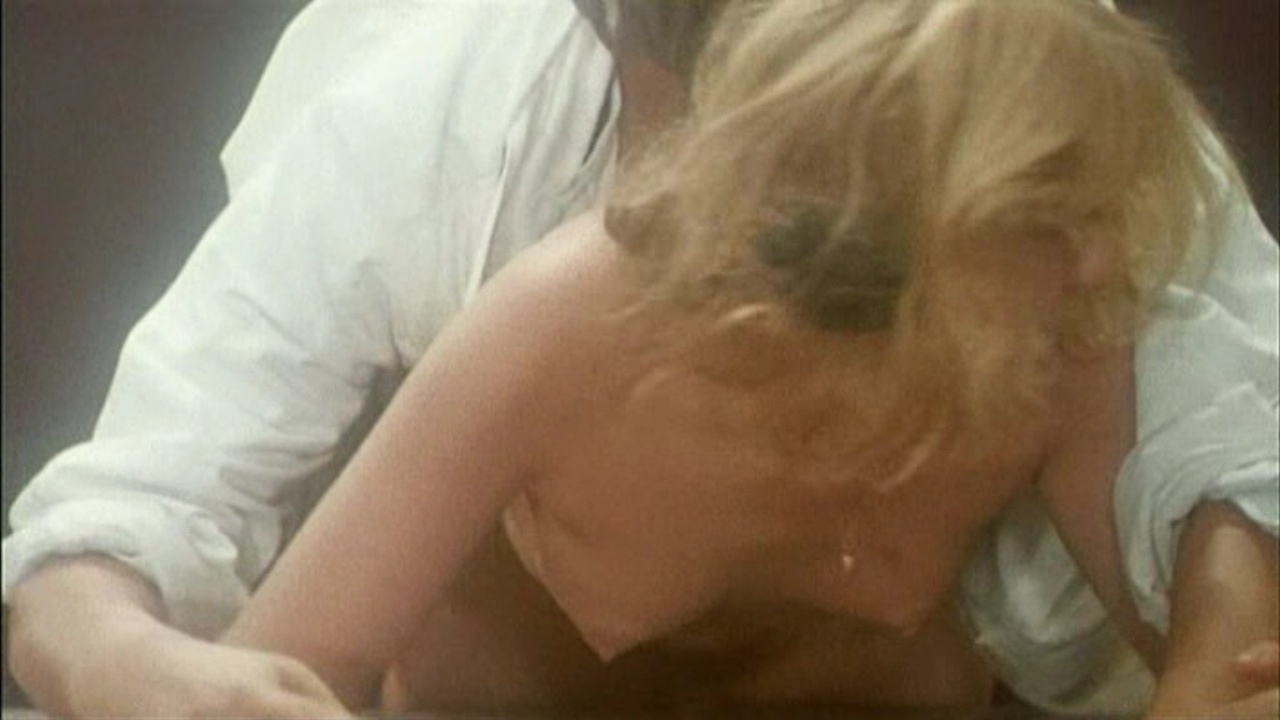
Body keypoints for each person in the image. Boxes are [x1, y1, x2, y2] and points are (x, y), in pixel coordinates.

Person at [1, 0, 1275, 717]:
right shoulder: (544, 285)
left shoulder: (1050, 183)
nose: (1099, 256)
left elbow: (1231, 500)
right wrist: (121, 659)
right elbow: (218, 597)